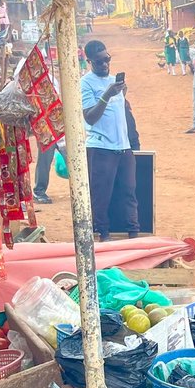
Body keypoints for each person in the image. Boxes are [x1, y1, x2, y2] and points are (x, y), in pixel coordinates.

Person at [82, 39, 139, 242]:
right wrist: (106, 95)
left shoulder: (115, 81)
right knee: (101, 195)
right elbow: (89, 116)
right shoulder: (85, 83)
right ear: (89, 61)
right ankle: (103, 235)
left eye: (107, 59)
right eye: (99, 62)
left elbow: (123, 112)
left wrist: (133, 140)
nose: (105, 65)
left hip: (123, 146)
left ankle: (134, 233)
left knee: (130, 191)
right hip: (100, 147)